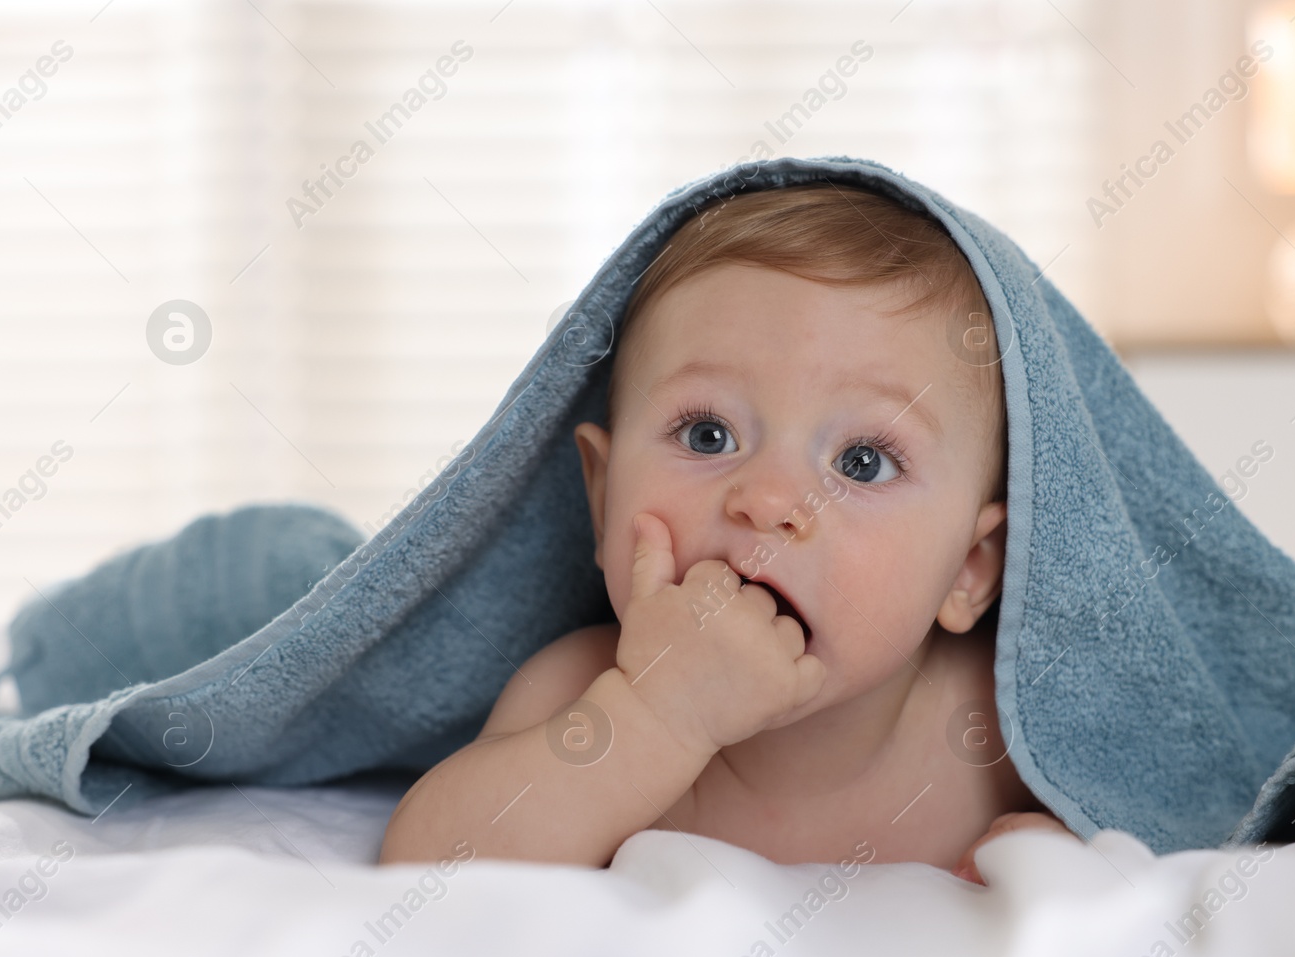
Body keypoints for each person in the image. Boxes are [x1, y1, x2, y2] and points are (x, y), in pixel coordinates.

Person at [380, 183, 1067, 884]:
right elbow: (426, 870)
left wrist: (1057, 854)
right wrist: (656, 716)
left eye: (862, 462)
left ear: (970, 569)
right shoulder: (581, 694)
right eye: (708, 435)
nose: (768, 502)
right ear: (602, 495)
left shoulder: (999, 730)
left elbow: (1151, 813)